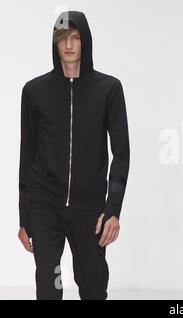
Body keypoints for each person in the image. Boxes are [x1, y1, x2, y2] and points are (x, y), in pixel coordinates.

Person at [18, 11, 130, 300]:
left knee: (93, 289)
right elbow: (27, 154)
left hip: (90, 208)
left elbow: (121, 153)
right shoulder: (34, 91)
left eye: (75, 37)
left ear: (86, 41)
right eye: (62, 38)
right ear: (54, 44)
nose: (68, 45)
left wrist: (113, 209)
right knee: (49, 286)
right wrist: (25, 216)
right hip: (46, 206)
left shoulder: (109, 89)